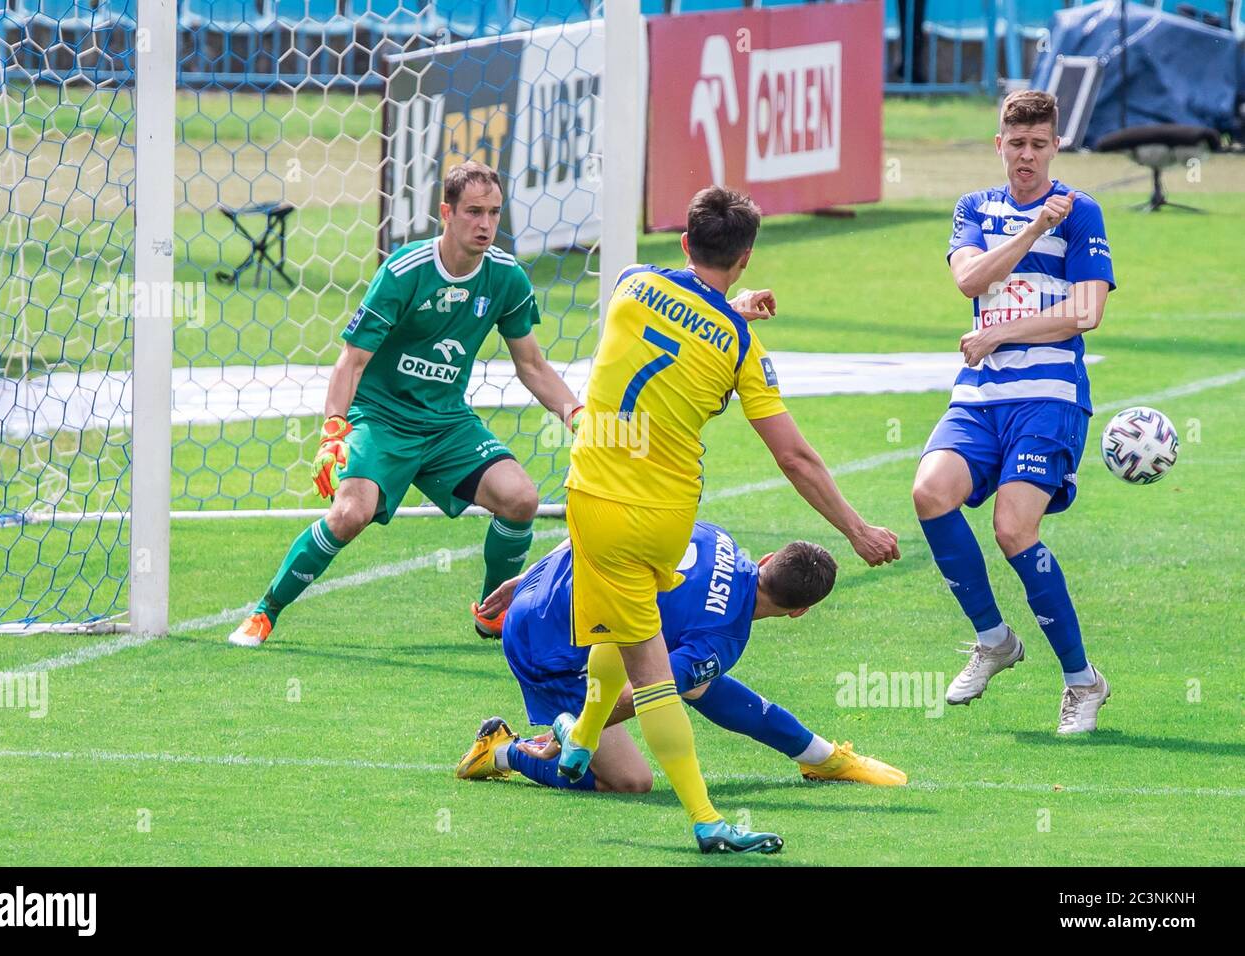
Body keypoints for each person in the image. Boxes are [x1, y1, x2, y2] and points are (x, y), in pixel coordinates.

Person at [557, 185, 901, 854]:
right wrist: (856, 529)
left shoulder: (630, 283)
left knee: (644, 659)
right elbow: (794, 457)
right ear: (743, 259)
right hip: (668, 516)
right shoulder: (742, 347)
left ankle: (696, 812)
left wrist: (727, 309)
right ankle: (603, 757)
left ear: (685, 242)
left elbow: (675, 322)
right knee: (628, 633)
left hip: (594, 495)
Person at [227, 161, 582, 645]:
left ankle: (492, 613)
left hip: (447, 424)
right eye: (474, 212)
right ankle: (266, 611)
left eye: (494, 213)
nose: (485, 225)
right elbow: (351, 361)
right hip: (381, 419)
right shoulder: (404, 271)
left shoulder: (506, 278)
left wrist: (579, 417)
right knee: (351, 514)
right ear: (446, 213)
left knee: (521, 498)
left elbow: (533, 366)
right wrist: (333, 430)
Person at [913, 90, 1116, 733]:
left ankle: (1083, 682)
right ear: (998, 144)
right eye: (1016, 143)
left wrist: (1001, 333)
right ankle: (994, 639)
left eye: (1039, 144)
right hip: (979, 397)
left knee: (1012, 529)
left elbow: (1085, 313)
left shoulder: (1083, 212)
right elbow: (970, 282)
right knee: (929, 493)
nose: (1027, 156)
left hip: (1049, 395)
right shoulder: (975, 207)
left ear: (1055, 146)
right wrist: (1033, 229)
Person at [454, 523, 907, 793]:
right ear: (798, 611)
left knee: (695, 675)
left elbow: (609, 527)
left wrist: (527, 578)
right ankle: (504, 753)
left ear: (768, 558)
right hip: (546, 648)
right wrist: (577, 735)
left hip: (549, 582)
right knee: (631, 782)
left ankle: (819, 755)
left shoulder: (714, 535)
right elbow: (646, 692)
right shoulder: (723, 638)